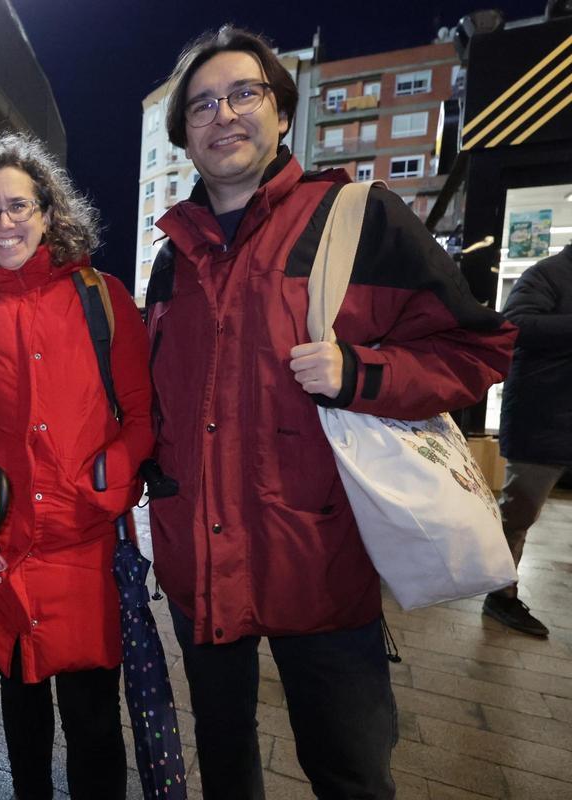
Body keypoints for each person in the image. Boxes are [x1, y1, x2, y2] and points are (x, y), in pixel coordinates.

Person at [145, 26, 516, 798]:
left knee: (349, 772)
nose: (223, 115)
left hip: (320, 559)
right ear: (183, 134)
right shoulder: (172, 256)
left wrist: (361, 373)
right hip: (200, 560)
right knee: (224, 761)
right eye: (202, 104)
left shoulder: (358, 217)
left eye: (243, 94)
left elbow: (478, 349)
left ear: (282, 112)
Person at [0, 133, 153, 800]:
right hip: (5, 549)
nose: (4, 222)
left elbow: (141, 414)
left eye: (18, 206)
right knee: (22, 716)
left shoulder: (102, 297)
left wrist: (107, 481)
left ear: (49, 212)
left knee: (94, 723)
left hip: (85, 544)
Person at [485, 244, 572, 637]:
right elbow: (515, 325)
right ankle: (500, 594)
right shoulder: (549, 273)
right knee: (519, 513)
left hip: (555, 417)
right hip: (544, 417)